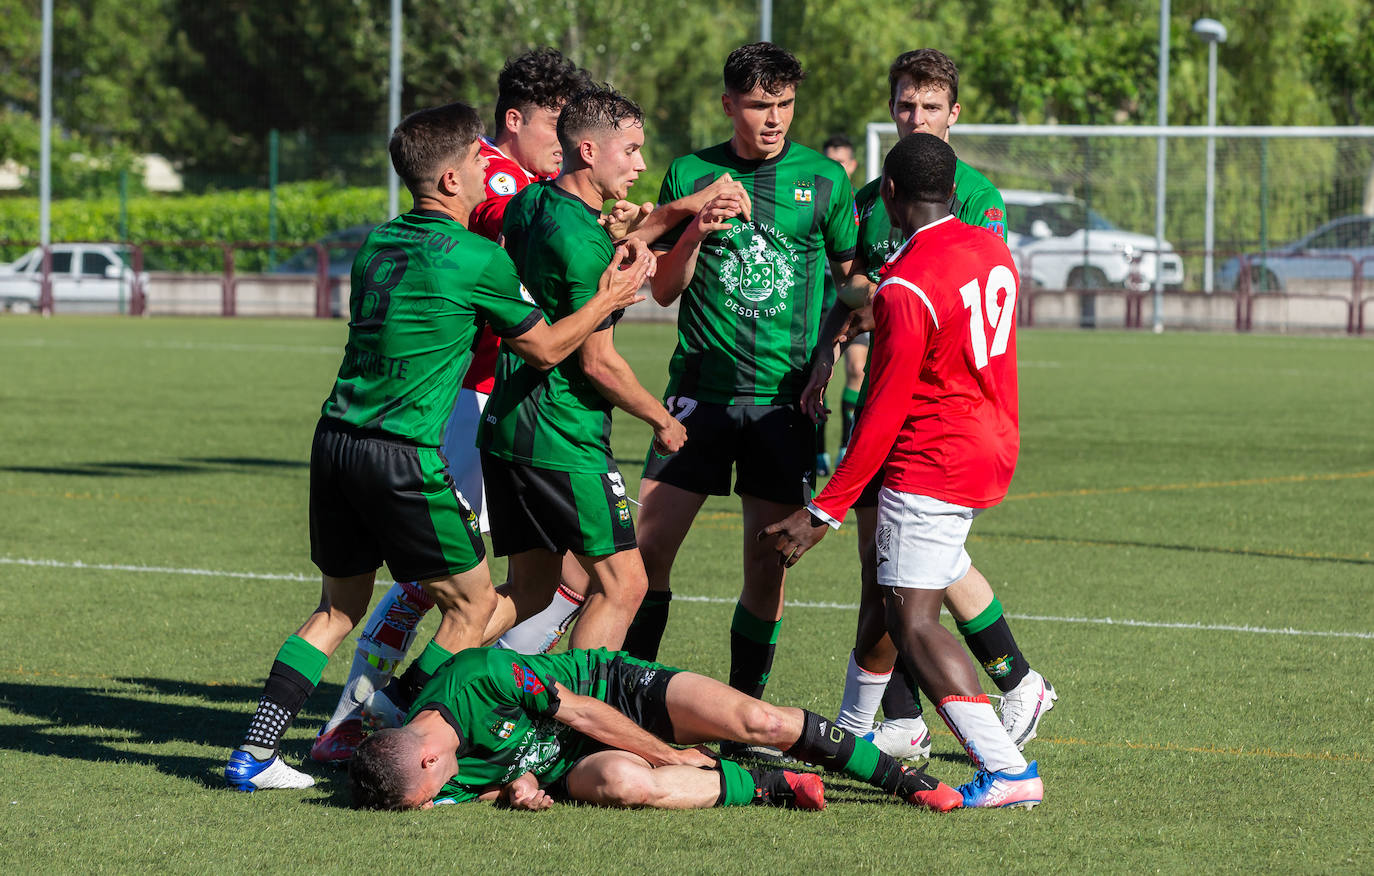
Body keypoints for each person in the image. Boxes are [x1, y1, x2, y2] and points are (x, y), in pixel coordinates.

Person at [224, 101, 651, 792]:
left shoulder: (378, 242)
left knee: (337, 609)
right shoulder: (477, 257)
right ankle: (384, 727)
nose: (491, 170)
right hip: (401, 454)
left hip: (334, 441)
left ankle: (254, 754)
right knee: (474, 608)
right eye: (481, 162)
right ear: (451, 179)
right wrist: (610, 296)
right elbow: (543, 348)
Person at [309, 48, 597, 766]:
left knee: (545, 577)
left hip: (496, 400)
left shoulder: (523, 178)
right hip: (462, 402)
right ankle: (362, 718)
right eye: (556, 123)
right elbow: (513, 216)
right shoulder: (498, 176)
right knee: (429, 582)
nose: (562, 141)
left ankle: (460, 703)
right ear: (514, 120)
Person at [762, 132, 1044, 809]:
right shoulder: (990, 247)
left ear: (887, 195)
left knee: (914, 623)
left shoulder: (906, 284)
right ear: (952, 189)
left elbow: (882, 416)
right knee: (893, 598)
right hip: (988, 442)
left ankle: (1008, 771)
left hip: (932, 459)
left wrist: (823, 510)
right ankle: (853, 734)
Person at [807, 49, 1054, 761]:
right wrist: (834, 336)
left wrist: (887, 298)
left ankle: (978, 701)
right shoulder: (869, 197)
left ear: (955, 114)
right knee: (896, 560)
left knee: (901, 573)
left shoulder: (973, 199)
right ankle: (898, 716)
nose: (916, 117)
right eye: (906, 106)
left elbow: (952, 292)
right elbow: (856, 284)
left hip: (935, 410)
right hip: (900, 383)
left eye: (931, 107)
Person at [622, 45, 858, 747]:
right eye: (760, 105)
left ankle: (741, 723)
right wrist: (695, 225)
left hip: (786, 405)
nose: (774, 119)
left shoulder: (823, 179)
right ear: (730, 104)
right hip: (698, 396)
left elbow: (851, 288)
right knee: (645, 551)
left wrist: (828, 355)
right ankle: (629, 702)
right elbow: (662, 288)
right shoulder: (693, 173)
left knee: (766, 565)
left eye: (785, 105)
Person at [476, 86, 722, 657]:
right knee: (624, 584)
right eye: (630, 150)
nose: (640, 164)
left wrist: (634, 232)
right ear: (588, 150)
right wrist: (663, 420)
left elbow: (564, 256)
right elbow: (599, 363)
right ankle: (580, 726)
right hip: (561, 435)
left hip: (508, 425)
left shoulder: (531, 203)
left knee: (532, 588)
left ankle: (410, 695)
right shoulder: (585, 243)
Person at [348, 646, 963, 812]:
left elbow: (584, 713)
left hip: (608, 690)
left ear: (427, 760)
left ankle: (896, 775)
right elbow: (487, 783)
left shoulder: (478, 676)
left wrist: (671, 752)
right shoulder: (430, 773)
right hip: (571, 764)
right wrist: (516, 787)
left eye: (429, 796)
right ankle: (769, 786)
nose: (439, 803)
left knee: (759, 719)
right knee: (626, 784)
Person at [817, 134, 865, 475]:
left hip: (856, 305)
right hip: (819, 306)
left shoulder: (865, 203)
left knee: (856, 371)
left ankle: (848, 444)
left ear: (853, 165)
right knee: (818, 376)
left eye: (842, 162)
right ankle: (816, 450)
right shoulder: (813, 199)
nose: (838, 168)